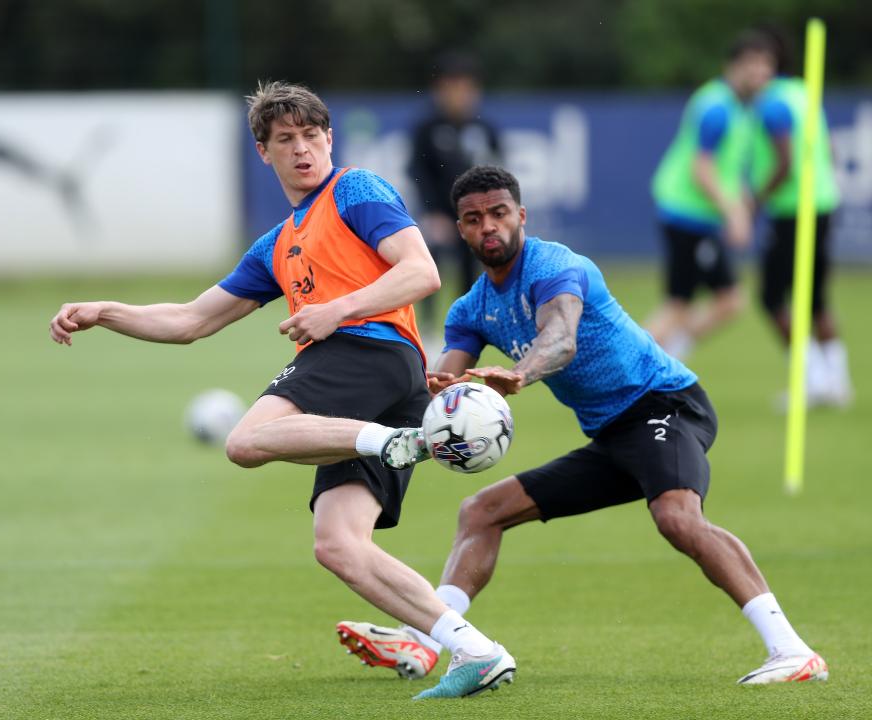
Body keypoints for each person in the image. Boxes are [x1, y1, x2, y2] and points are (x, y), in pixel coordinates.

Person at [49, 82, 514, 701]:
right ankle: (476, 651)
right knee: (339, 546)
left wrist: (335, 311)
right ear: (263, 152)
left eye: (311, 135)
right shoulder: (277, 244)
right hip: (374, 379)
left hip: (367, 353)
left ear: (329, 138)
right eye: (285, 140)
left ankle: (398, 441)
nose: (302, 150)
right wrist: (106, 310)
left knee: (245, 441)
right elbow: (191, 321)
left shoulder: (355, 190)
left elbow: (421, 270)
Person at [341, 165, 828, 686]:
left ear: (521, 216)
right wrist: (408, 428)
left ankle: (792, 650)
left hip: (664, 405)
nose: (489, 227)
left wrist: (519, 374)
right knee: (482, 512)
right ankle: (428, 641)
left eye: (500, 214)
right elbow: (441, 386)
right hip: (615, 437)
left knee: (677, 517)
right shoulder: (471, 309)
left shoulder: (554, 265)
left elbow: (562, 337)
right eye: (474, 218)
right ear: (460, 229)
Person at [646, 31, 777, 359]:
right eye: (753, 65)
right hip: (686, 214)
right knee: (679, 305)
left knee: (728, 301)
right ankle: (630, 364)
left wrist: (741, 203)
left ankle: (667, 354)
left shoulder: (741, 108)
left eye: (766, 66)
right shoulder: (717, 107)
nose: (761, 73)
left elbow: (727, 168)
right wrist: (734, 212)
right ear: (733, 66)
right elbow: (701, 169)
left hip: (700, 217)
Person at [750, 28, 854, 407]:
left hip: (794, 209)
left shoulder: (774, 102)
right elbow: (827, 146)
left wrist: (754, 200)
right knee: (815, 299)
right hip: (823, 201)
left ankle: (814, 379)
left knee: (771, 296)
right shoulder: (802, 93)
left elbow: (785, 162)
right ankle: (836, 382)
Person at [409, 51, 502, 337]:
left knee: (472, 264)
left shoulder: (484, 128)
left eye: (466, 88)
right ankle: (425, 328)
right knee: (428, 258)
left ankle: (467, 327)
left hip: (475, 213)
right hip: (439, 213)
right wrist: (431, 214)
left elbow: (497, 171)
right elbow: (418, 171)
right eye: (453, 87)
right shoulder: (427, 128)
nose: (459, 95)